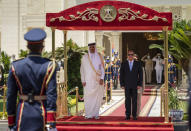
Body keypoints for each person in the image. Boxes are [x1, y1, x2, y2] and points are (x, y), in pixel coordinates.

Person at [6, 28, 57, 131]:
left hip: (22, 114)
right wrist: (51, 123)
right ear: (42, 47)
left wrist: (11, 121)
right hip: (40, 115)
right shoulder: (49, 66)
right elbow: (51, 95)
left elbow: (10, 96)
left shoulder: (15, 66)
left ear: (28, 47)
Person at [80, 42, 105, 120]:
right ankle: (88, 114)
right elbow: (82, 70)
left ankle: (96, 114)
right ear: (89, 48)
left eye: (93, 47)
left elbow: (103, 68)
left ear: (95, 47)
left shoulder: (99, 56)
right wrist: (83, 80)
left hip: (98, 81)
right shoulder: (85, 57)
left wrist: (102, 78)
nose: (92, 48)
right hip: (88, 82)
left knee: (97, 98)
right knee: (88, 98)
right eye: (90, 47)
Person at [120, 50, 143, 120]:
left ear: (133, 56)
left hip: (135, 85)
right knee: (127, 101)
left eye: (132, 55)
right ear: (127, 56)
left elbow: (141, 74)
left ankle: (134, 115)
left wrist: (139, 84)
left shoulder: (138, 63)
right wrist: (122, 84)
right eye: (129, 55)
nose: (130, 56)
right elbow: (121, 75)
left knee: (134, 101)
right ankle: (127, 115)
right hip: (126, 85)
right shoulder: (123, 63)